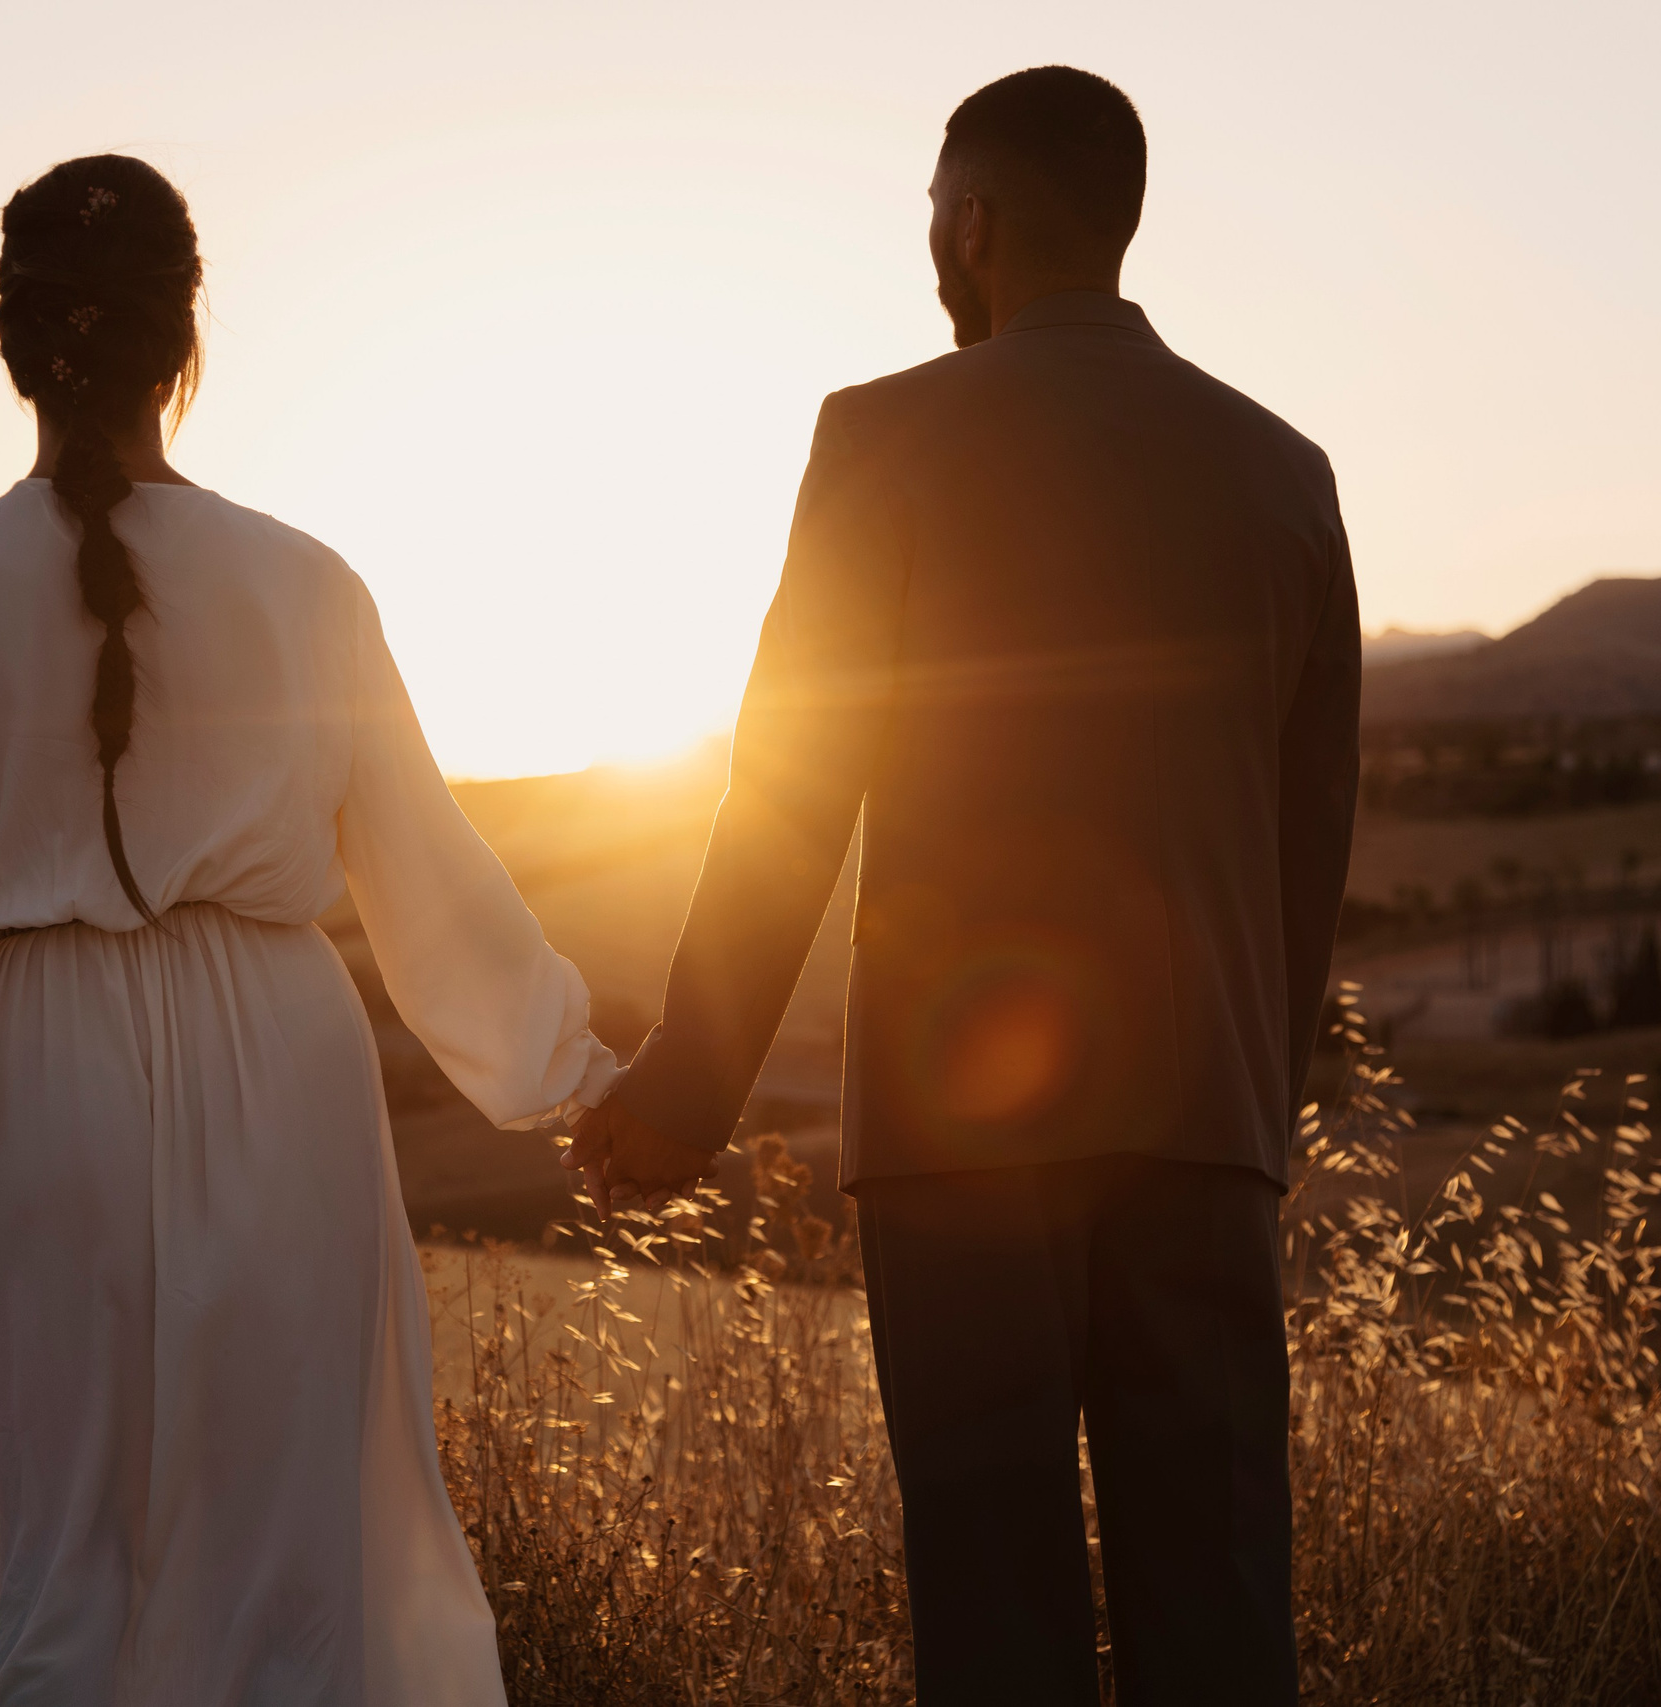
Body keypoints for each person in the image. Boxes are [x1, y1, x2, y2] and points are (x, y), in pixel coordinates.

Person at [567, 66, 1360, 1706]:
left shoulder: (882, 439)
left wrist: (689, 1086)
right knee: (1216, 1609)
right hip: (1207, 1133)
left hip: (957, 1135)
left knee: (997, 1617)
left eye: (937, 207)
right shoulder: (1287, 473)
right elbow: (1310, 843)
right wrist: (1251, 1113)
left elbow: (791, 789)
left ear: (977, 220)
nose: (932, 241)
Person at [0, 154, 618, 1704]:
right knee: (297, 1549)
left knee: (72, 1562)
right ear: (182, 343)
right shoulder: (306, 583)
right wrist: (578, 1072)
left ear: (13, 352)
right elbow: (429, 871)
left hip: (46, 1081)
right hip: (288, 1072)